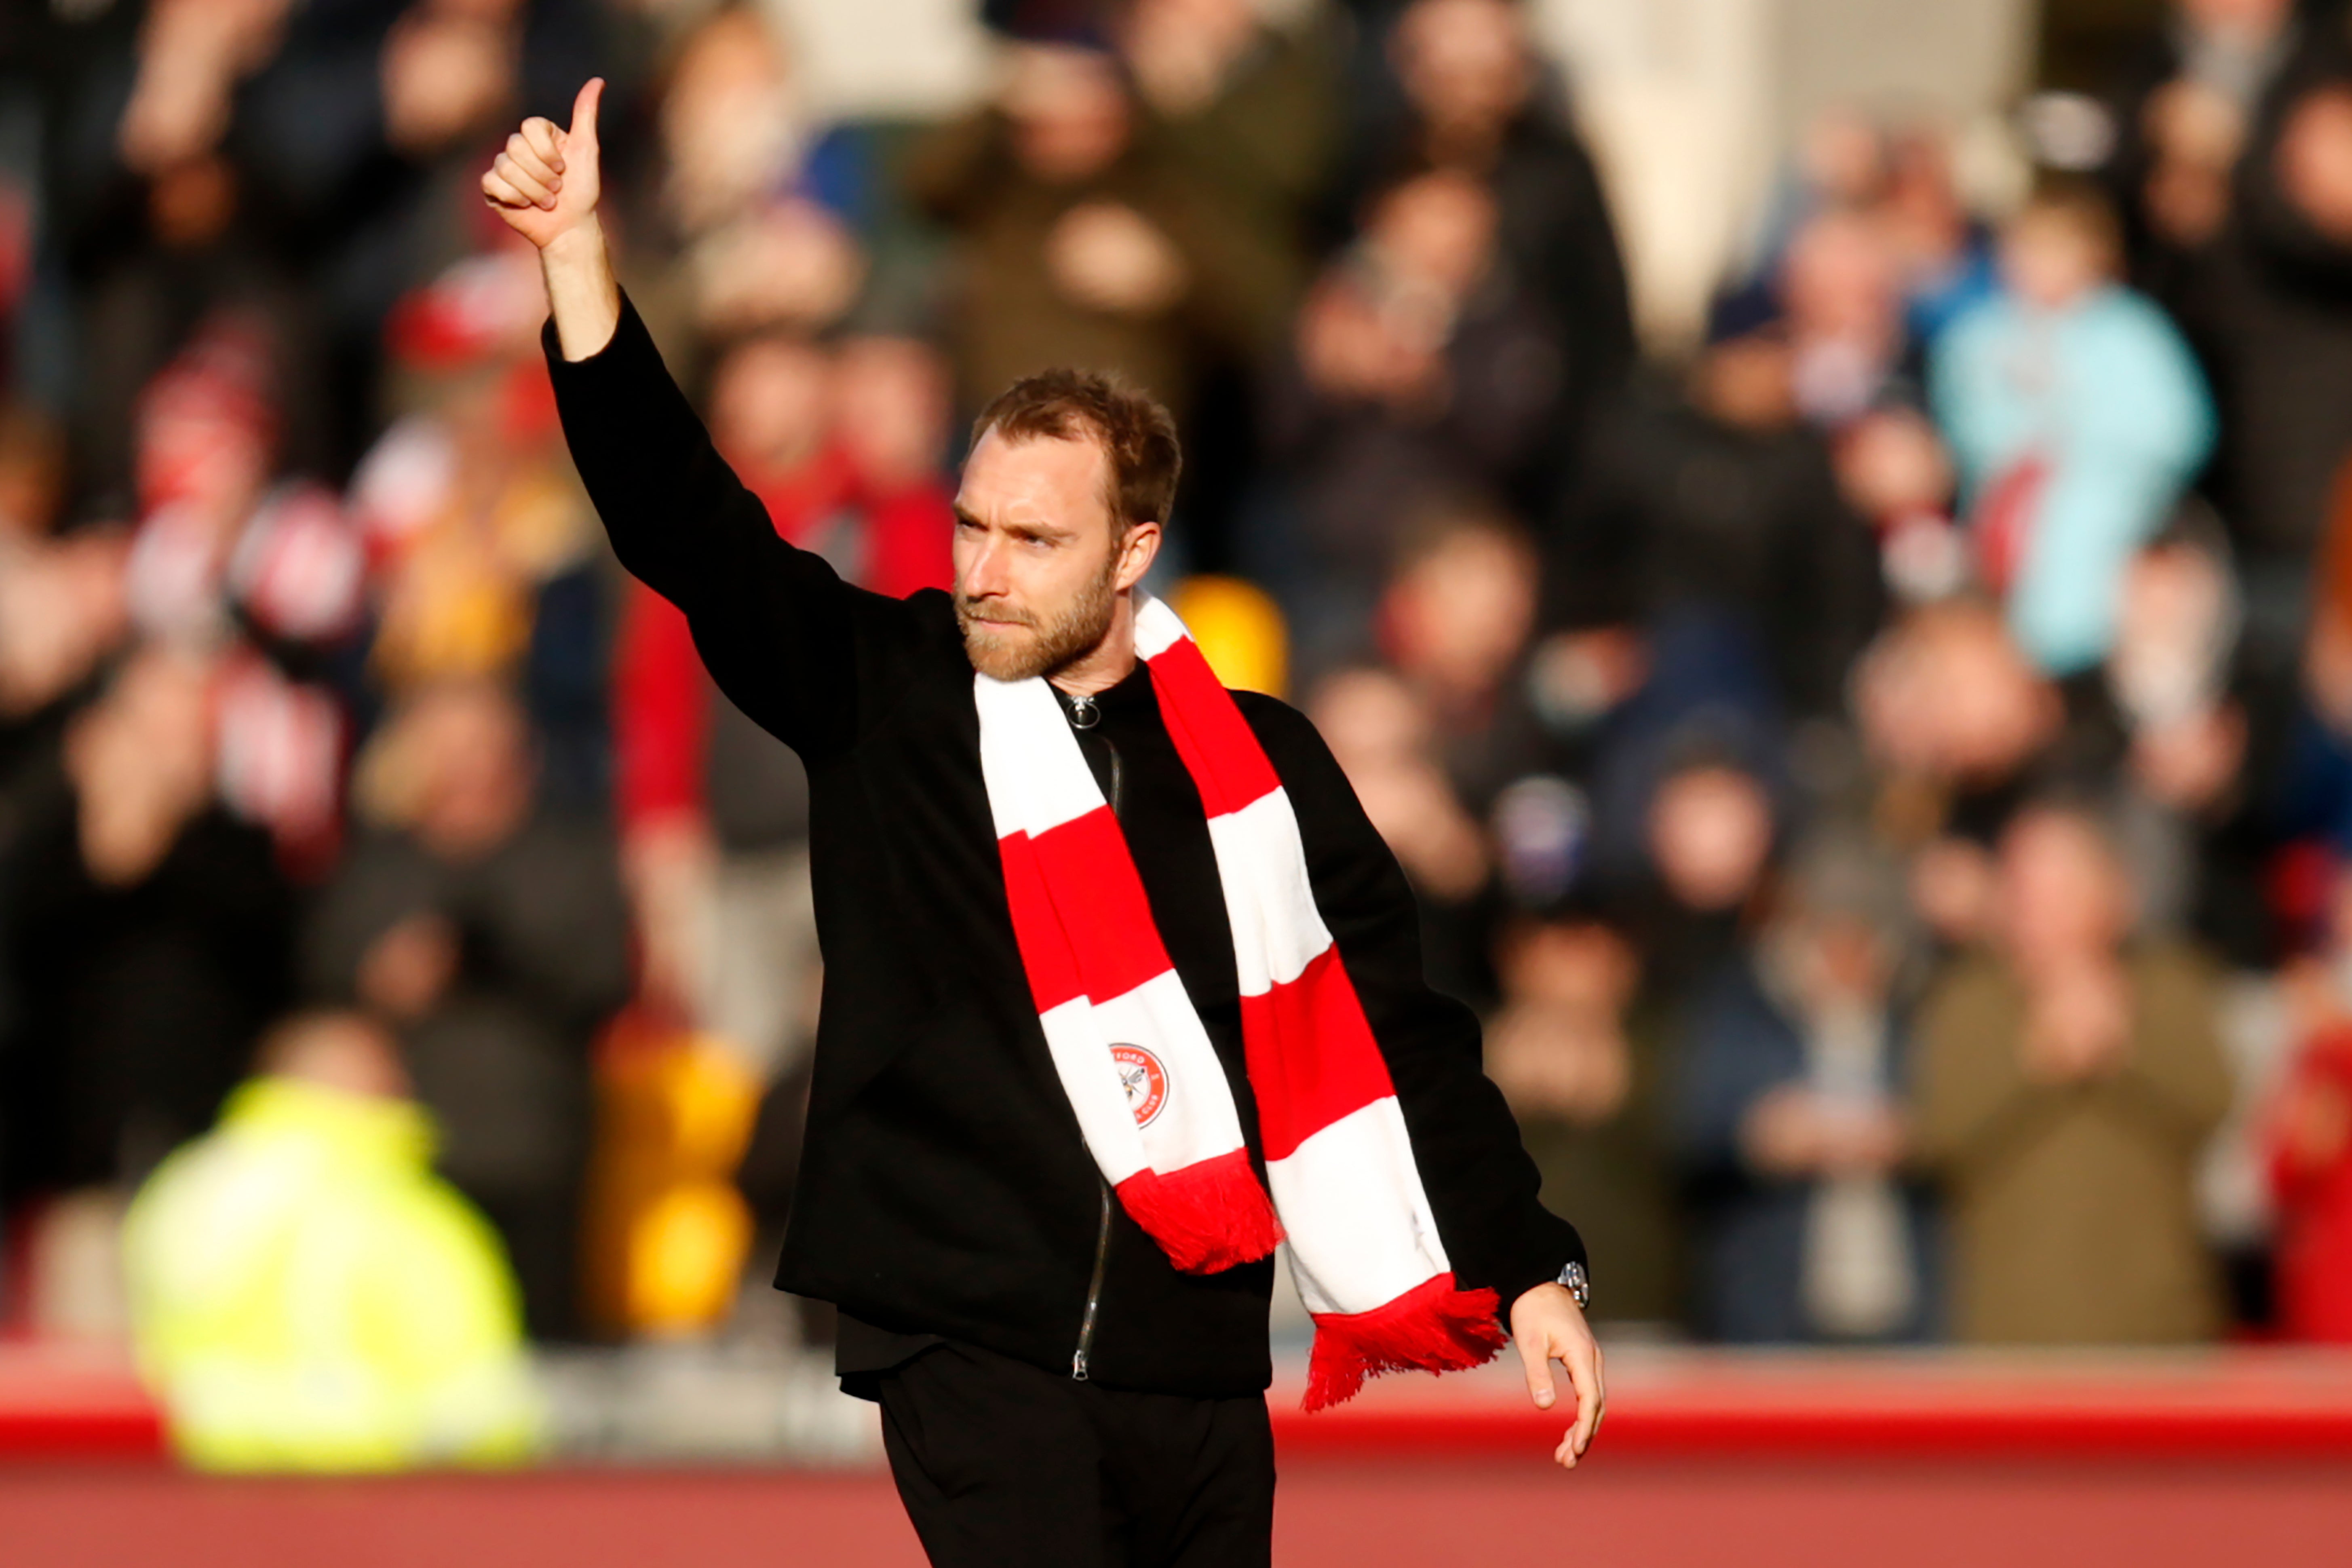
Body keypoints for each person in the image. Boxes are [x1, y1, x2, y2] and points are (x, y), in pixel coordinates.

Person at [483, 80, 1602, 1564]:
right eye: (971, 525)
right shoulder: (887, 695)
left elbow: (1397, 1026)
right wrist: (577, 265)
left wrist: (1526, 1264)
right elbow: (683, 523)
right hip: (965, 1336)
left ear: (1136, 551)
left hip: (1198, 1356)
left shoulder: (1260, 766)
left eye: (1034, 537)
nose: (986, 568)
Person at [122, 1009, 542, 1472]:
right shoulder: (401, 1210)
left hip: (198, 1484)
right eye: (388, 1068)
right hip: (376, 1491)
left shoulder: (187, 1186)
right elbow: (480, 1406)